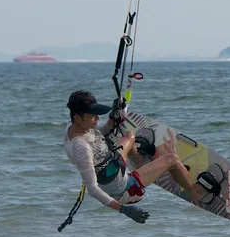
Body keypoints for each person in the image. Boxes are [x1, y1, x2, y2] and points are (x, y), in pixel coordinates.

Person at [63, 90, 201, 224]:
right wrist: (125, 210)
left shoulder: (74, 126)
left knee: (130, 136)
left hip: (112, 164)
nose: (98, 119)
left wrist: (113, 116)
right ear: (77, 118)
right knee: (172, 159)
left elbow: (99, 134)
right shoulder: (81, 148)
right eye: (93, 116)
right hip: (124, 190)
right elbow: (92, 189)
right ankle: (195, 193)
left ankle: (139, 162)